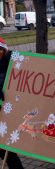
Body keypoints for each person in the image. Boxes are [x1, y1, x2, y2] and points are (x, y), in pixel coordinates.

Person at [0, 38, 24, 169]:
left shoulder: (14, 61)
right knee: (3, 149)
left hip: (11, 109)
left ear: (4, 49)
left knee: (6, 148)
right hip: (1, 110)